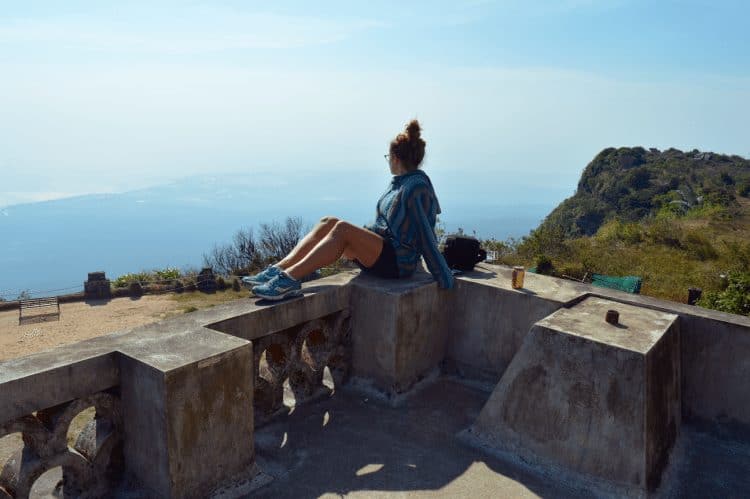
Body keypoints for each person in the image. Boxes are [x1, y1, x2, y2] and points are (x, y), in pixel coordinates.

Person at [248, 119, 454, 300]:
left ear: (396, 159)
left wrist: (444, 276)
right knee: (327, 221)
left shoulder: (417, 187)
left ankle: (288, 280)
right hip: (383, 252)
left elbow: (426, 234)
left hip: (399, 262)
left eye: (387, 157)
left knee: (343, 229)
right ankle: (278, 269)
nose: (387, 161)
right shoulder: (400, 183)